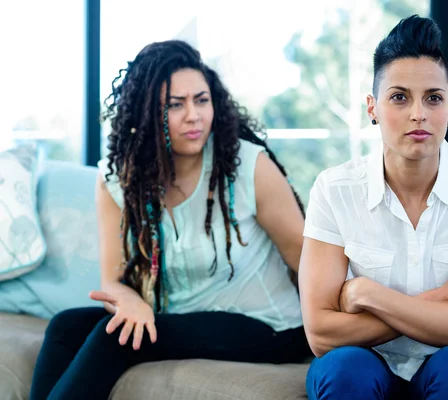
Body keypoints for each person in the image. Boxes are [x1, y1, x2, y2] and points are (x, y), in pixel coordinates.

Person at [30, 39, 310, 400]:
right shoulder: (119, 180)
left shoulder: (248, 166)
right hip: (179, 318)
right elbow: (111, 281)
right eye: (175, 105)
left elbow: (306, 257)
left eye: (202, 100)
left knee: (112, 338)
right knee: (65, 326)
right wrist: (127, 300)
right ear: (146, 114)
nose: (193, 115)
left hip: (269, 324)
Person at [299, 15, 448, 400]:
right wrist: (444, 297)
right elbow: (321, 334)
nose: (418, 113)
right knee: (343, 370)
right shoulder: (333, 190)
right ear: (373, 108)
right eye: (399, 97)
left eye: (432, 98)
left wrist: (367, 294)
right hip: (369, 362)